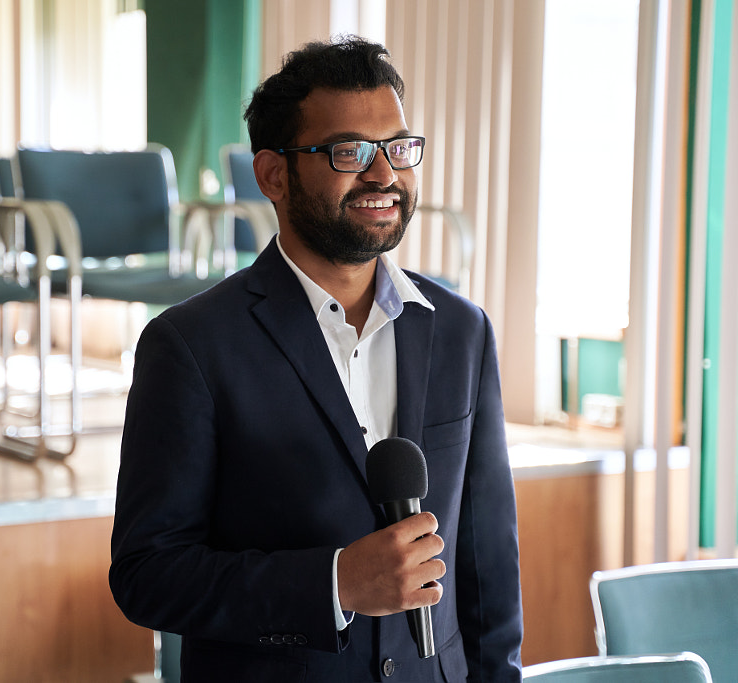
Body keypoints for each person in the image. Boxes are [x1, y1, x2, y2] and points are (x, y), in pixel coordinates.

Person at [110, 35, 523, 682]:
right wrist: (334, 583)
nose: (384, 175)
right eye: (350, 152)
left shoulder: (462, 331)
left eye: (398, 148)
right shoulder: (191, 345)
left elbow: (485, 564)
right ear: (274, 174)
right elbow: (148, 574)